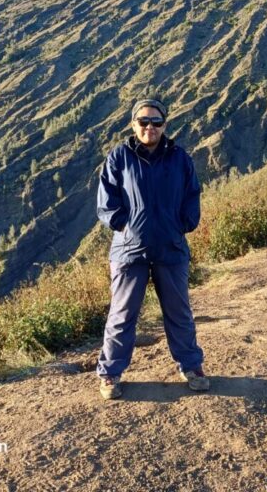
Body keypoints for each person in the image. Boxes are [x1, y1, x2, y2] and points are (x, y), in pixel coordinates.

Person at [95, 97, 209, 400]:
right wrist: (126, 226)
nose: (150, 127)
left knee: (178, 312)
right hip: (129, 252)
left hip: (170, 248)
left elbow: (192, 195)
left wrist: (182, 225)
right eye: (144, 121)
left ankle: (191, 366)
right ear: (134, 124)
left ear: (165, 125)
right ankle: (110, 374)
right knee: (122, 314)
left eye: (156, 122)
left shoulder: (179, 158)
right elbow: (106, 203)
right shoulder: (119, 157)